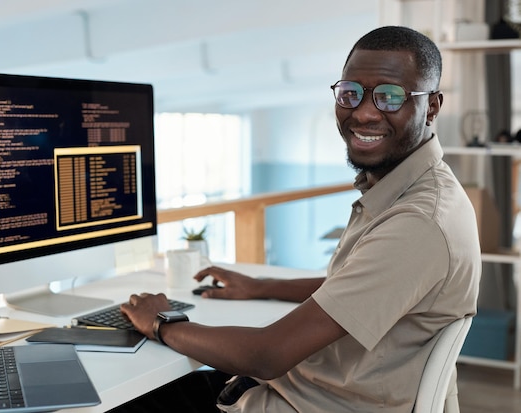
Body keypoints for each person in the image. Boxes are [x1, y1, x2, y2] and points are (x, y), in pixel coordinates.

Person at [114, 25, 481, 412]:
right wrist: (261, 286)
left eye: (390, 96)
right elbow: (354, 286)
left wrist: (161, 322)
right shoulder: (411, 188)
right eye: (350, 93)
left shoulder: (419, 221)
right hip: (315, 390)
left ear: (433, 107)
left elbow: (266, 354)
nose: (365, 112)